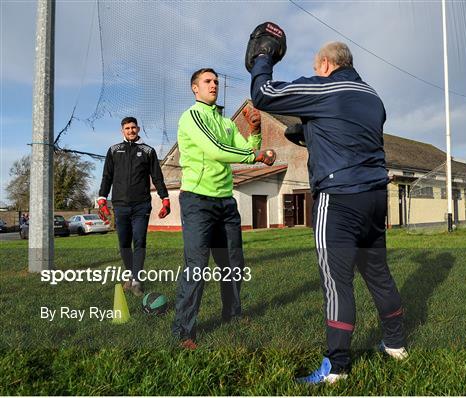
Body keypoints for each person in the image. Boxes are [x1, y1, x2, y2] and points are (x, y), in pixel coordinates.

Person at [248, 41, 407, 383]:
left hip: (339, 199)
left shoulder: (324, 86)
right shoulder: (372, 97)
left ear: (324, 63)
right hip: (375, 197)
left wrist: (262, 57)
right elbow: (349, 134)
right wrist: (310, 132)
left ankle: (337, 368)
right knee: (378, 274)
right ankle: (396, 345)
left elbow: (263, 95)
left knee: (336, 282)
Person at [172, 68, 276, 349]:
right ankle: (184, 332)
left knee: (233, 264)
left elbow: (244, 147)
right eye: (208, 81)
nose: (214, 85)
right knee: (197, 267)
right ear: (195, 88)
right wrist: (256, 155)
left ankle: (232, 314)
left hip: (225, 202)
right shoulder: (192, 116)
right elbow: (216, 150)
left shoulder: (224, 121)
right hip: (197, 201)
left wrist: (255, 131)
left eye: (216, 81)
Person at [97, 116, 171, 297]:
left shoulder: (148, 151)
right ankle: (130, 275)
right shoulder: (113, 150)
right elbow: (107, 176)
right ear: (122, 130)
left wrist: (165, 198)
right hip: (120, 205)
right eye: (127, 128)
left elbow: (157, 177)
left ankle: (137, 280)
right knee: (123, 243)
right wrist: (101, 199)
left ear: (138, 129)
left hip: (141, 206)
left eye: (133, 128)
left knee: (139, 241)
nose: (130, 131)